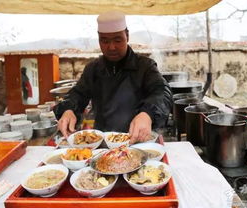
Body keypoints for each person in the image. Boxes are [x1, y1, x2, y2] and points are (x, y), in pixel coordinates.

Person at [54, 10, 172, 144]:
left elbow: (162, 92)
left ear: (127, 36)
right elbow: (78, 93)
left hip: (139, 141)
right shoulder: (93, 69)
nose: (111, 47)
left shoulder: (145, 66)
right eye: (104, 41)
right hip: (103, 143)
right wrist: (68, 109)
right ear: (98, 39)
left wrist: (148, 114)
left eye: (117, 40)